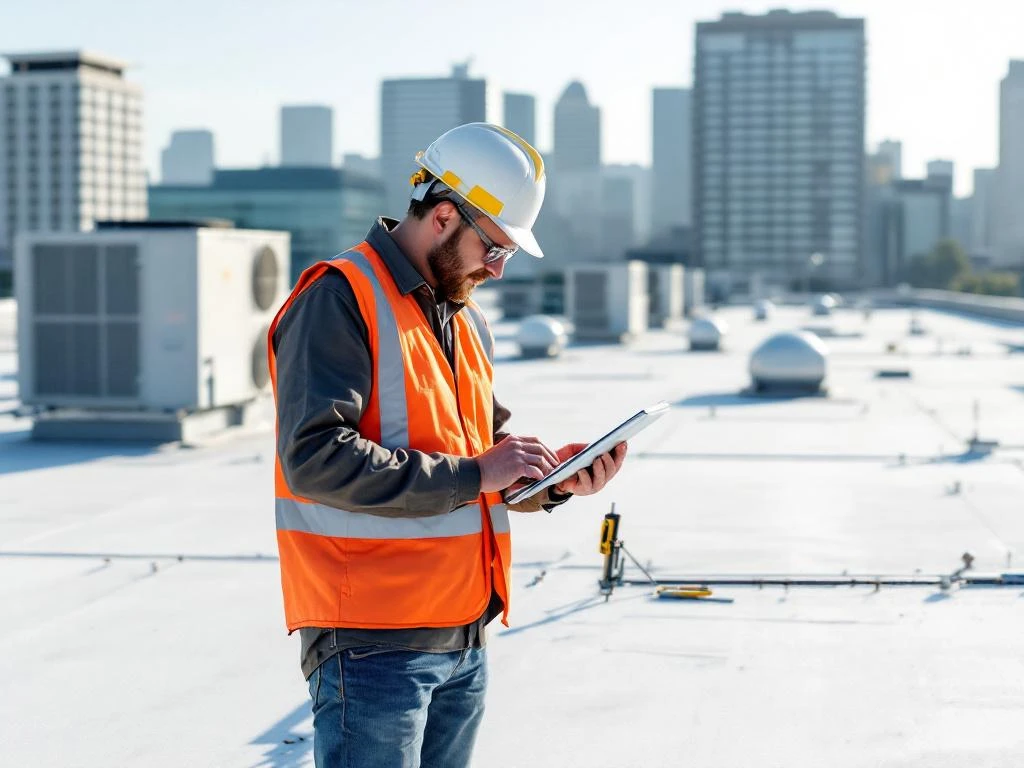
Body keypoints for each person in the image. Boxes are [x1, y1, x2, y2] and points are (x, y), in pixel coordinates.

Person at [267, 122, 628, 768]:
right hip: (373, 645)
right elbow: (316, 459)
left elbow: (484, 458)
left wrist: (553, 483)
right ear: (442, 217)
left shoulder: (465, 318)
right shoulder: (339, 297)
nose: (497, 268)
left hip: (463, 637)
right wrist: (477, 473)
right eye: (494, 247)